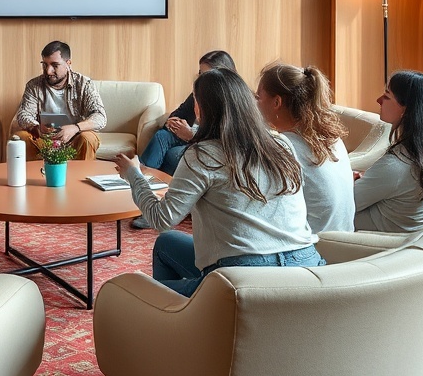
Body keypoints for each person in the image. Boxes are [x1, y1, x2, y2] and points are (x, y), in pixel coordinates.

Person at [115, 68, 323, 298]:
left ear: (201, 108)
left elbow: (163, 219)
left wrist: (134, 175)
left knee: (126, 294)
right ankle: (187, 321)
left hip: (243, 278)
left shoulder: (201, 155)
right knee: (167, 244)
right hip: (306, 265)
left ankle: (185, 319)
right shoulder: (281, 143)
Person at [256, 63, 355, 233]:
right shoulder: (332, 138)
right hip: (342, 244)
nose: (255, 104)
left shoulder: (285, 147)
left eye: (258, 97)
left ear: (277, 102)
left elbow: (262, 210)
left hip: (313, 250)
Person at [353, 70, 423, 233]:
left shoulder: (395, 166)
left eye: (387, 96)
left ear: (407, 110)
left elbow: (341, 205)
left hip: (364, 244)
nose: (378, 100)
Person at [139, 50, 238, 175]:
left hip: (212, 148)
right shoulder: (199, 91)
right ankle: (141, 176)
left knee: (171, 155)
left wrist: (191, 136)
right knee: (162, 136)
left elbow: (221, 143)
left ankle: (143, 179)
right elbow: (178, 114)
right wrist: (175, 123)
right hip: (195, 138)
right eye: (200, 73)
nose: (201, 78)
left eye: (207, 74)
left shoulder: (234, 100)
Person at [12, 40, 107, 162]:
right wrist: (37, 127)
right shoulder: (33, 85)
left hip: (75, 137)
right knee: (22, 137)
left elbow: (100, 117)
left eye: (55, 65)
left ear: (68, 64)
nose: (48, 71)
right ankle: (33, 178)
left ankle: (81, 178)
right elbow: (23, 114)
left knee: (88, 138)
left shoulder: (84, 84)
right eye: (45, 65)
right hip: (44, 138)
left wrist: (75, 128)